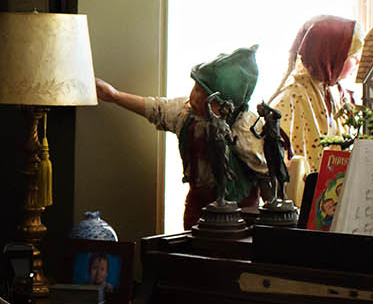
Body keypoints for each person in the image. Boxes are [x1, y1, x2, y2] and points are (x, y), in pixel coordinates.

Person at [96, 46, 268, 229]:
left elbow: (265, 174)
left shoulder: (245, 129)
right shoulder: (186, 114)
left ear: (227, 105)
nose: (195, 98)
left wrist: (274, 220)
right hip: (198, 207)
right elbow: (157, 109)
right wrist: (114, 96)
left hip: (239, 214)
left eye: (206, 97)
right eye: (196, 89)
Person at [265, 15, 361, 197]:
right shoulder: (292, 98)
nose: (357, 62)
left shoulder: (337, 93)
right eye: (352, 56)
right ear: (330, 56)